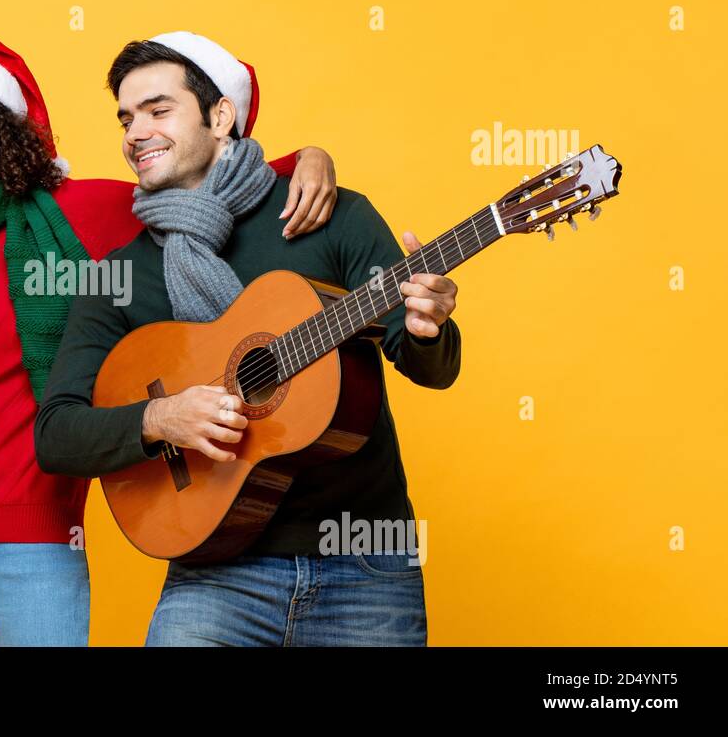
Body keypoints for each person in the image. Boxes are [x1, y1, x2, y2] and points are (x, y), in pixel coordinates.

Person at [0, 29, 340, 646]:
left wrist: (309, 158)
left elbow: (211, 178)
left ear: (1, 127)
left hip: (37, 536)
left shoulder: (76, 214)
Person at [34, 33, 462, 647]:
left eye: (159, 110)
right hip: (213, 576)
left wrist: (428, 328)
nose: (135, 132)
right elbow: (57, 434)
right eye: (127, 118)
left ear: (220, 116)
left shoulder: (325, 213)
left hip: (368, 569)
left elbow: (430, 367)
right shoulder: (119, 278)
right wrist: (161, 417)